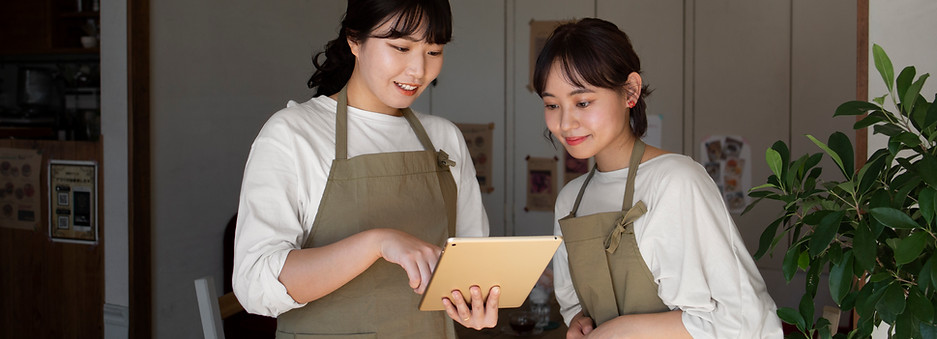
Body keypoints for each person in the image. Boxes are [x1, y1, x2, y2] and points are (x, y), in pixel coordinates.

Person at [232, 0, 499, 336]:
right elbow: (255, 285)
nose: (418, 70)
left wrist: (476, 304)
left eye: (434, 51)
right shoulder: (293, 134)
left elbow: (471, 266)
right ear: (354, 40)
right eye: (401, 48)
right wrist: (377, 242)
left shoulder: (444, 138)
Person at [533, 18, 783, 338]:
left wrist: (620, 330)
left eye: (583, 102)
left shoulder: (676, 182)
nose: (565, 123)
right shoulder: (570, 201)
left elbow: (741, 320)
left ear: (630, 91)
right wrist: (578, 322)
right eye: (552, 105)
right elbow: (573, 305)